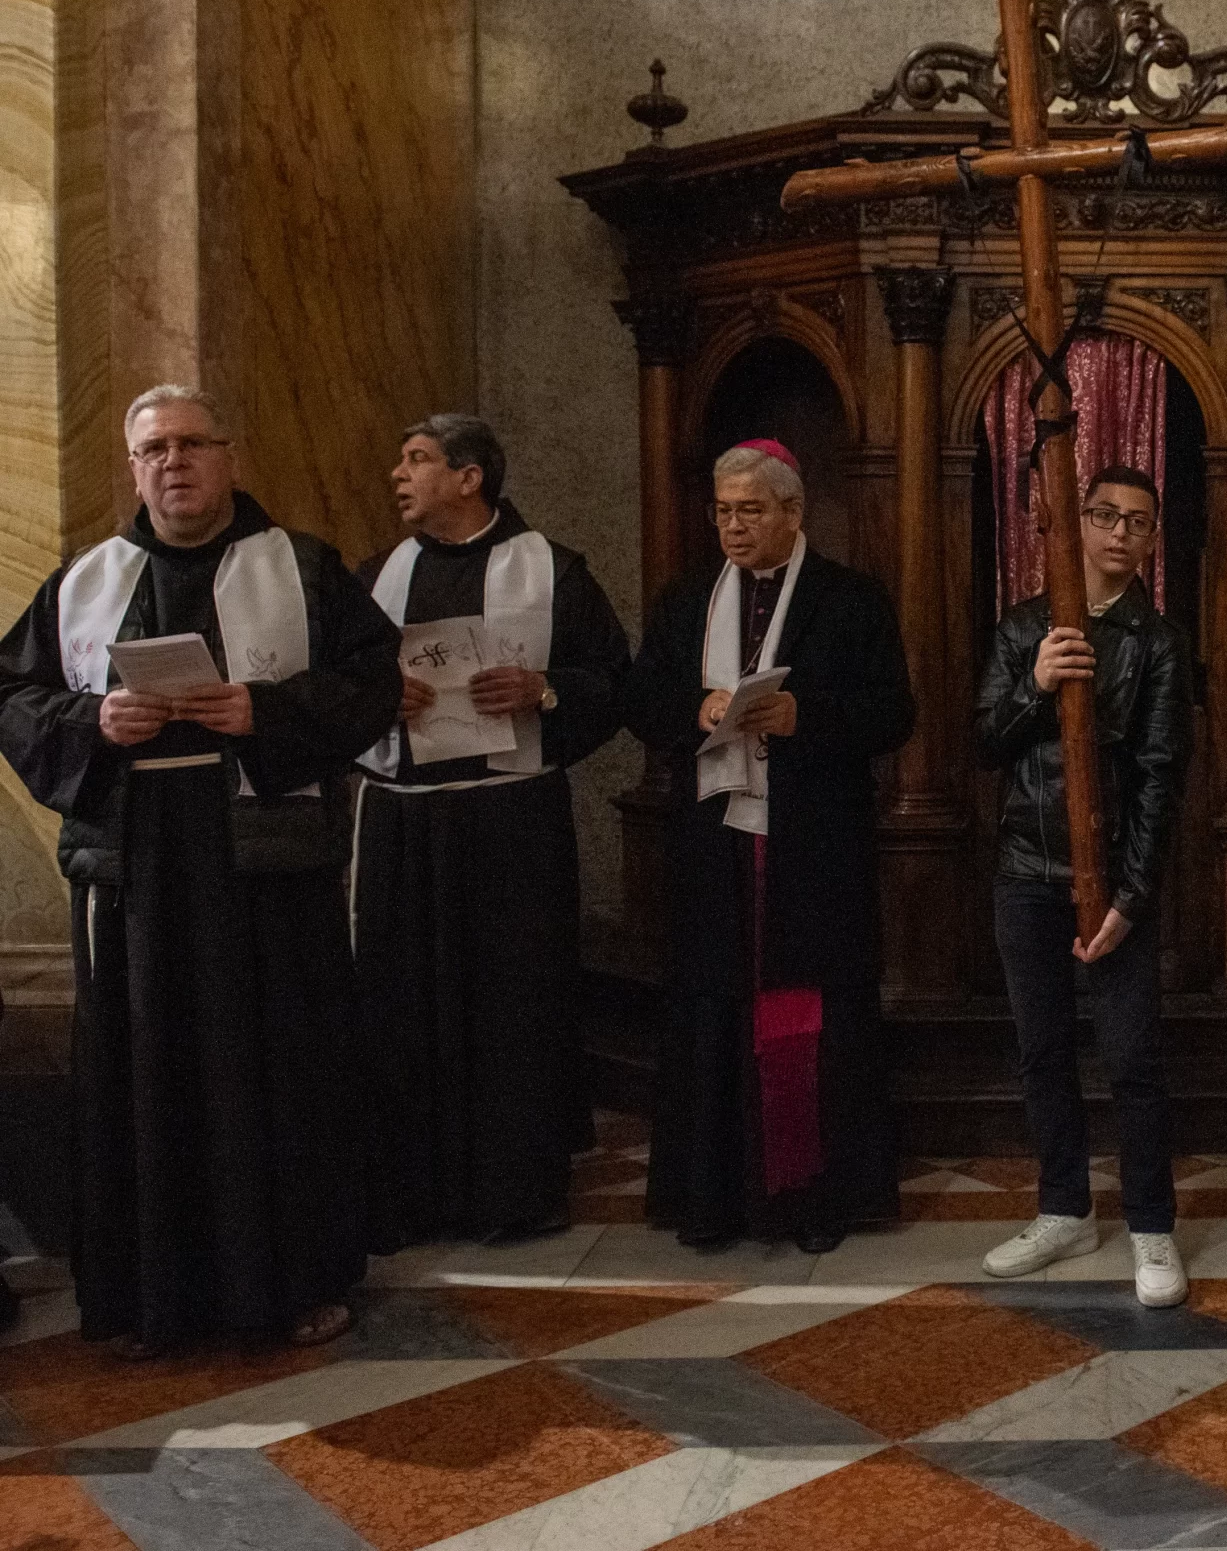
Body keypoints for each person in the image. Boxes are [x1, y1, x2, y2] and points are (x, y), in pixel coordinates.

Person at [0, 385, 400, 1355]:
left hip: (262, 867)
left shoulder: (302, 569)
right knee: (147, 1077)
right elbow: (15, 696)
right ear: (133, 468)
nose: (172, 462)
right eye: (153, 450)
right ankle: (148, 1297)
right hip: (137, 873)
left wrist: (265, 712)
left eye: (190, 444)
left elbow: (374, 682)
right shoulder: (84, 580)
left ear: (229, 455)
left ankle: (296, 1281)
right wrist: (90, 722)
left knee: (278, 1070)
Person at [625, 440, 915, 1254]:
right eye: (722, 511)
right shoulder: (687, 599)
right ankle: (713, 1198)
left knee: (802, 1014)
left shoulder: (850, 600)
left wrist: (804, 717)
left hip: (809, 847)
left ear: (795, 512)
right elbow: (641, 699)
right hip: (714, 846)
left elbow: (893, 712)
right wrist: (698, 705)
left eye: (751, 510)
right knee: (716, 1012)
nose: (733, 526)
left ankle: (813, 1197)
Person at [352, 416, 631, 1249]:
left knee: (512, 998)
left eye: (417, 460)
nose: (398, 474)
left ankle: (516, 1189)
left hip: (508, 817)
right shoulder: (377, 575)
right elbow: (331, 684)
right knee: (399, 1001)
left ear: (470, 478)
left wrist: (544, 689)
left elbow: (616, 682)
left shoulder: (553, 570)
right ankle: (408, 1192)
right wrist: (377, 697)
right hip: (402, 819)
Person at [974, 466, 1194, 1307]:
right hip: (1025, 871)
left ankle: (1151, 1227)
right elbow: (986, 743)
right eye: (1104, 515)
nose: (1118, 534)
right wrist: (1034, 687)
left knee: (1133, 1059)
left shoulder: (1159, 643)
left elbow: (1159, 779)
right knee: (1042, 1052)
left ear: (1149, 542)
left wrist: (1128, 900)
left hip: (1113, 879)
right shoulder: (1024, 628)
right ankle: (1063, 1207)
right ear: (1076, 524)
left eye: (1138, 523)